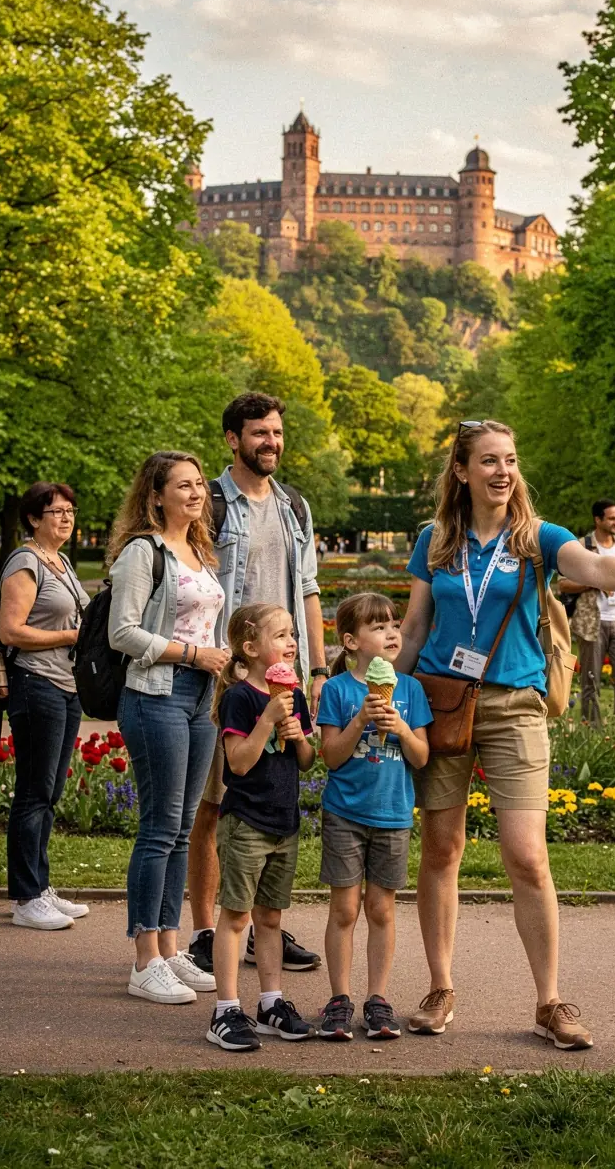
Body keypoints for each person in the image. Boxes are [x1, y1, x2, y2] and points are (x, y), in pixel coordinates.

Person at [397, 420, 615, 1048]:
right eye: (488, 461)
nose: (502, 471)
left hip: (514, 704)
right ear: (461, 471)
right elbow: (417, 626)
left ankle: (550, 1002)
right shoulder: (435, 539)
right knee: (441, 849)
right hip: (442, 704)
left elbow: (594, 565)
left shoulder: (536, 537)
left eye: (509, 459)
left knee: (527, 856)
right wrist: (373, 695)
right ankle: (440, 987)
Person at [188, 392, 325, 976]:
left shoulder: (295, 505)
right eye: (258, 433)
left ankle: (259, 924)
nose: (270, 442)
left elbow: (310, 591)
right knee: (212, 804)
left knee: (271, 801)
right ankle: (205, 930)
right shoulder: (212, 504)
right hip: (224, 677)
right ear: (232, 439)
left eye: (276, 432)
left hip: (283, 679)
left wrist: (317, 669)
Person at [108, 451, 228, 1004]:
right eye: (183, 485)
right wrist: (192, 654)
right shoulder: (143, 552)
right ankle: (143, 958)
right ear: (156, 496)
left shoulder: (201, 551)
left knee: (182, 828)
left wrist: (218, 659)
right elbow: (123, 634)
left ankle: (171, 947)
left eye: (199, 483)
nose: (195, 492)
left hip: (202, 697)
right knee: (158, 829)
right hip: (156, 695)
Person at [317, 593, 431, 1041]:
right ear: (350, 641)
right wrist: (360, 720)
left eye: (394, 625)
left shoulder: (411, 689)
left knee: (381, 908)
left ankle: (378, 999)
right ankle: (339, 999)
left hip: (393, 815)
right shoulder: (338, 691)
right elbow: (331, 757)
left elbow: (421, 757)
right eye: (378, 626)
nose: (391, 633)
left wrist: (401, 728)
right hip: (345, 813)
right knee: (344, 908)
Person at [206, 603, 316, 1052]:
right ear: (249, 649)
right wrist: (267, 721)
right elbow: (239, 762)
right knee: (235, 917)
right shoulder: (239, 697)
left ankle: (270, 1003)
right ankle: (225, 1010)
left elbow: (307, 763)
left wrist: (297, 734)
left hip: (283, 823)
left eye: (293, 635)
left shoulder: (294, 694)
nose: (292, 643)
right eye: (281, 636)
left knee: (270, 919)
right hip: (246, 823)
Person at [0, 482, 91, 931]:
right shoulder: (25, 561)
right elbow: (11, 631)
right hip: (35, 684)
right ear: (34, 518)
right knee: (34, 791)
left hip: (65, 685)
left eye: (70, 511)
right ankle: (25, 896)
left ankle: (41, 885)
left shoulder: (63, 562)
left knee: (50, 791)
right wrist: (70, 637)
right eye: (57, 511)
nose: (66, 518)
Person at [557, 499, 615, 724]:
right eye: (611, 518)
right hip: (592, 624)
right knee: (590, 681)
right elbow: (563, 583)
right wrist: (595, 582)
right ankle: (591, 731)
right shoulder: (582, 546)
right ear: (598, 519)